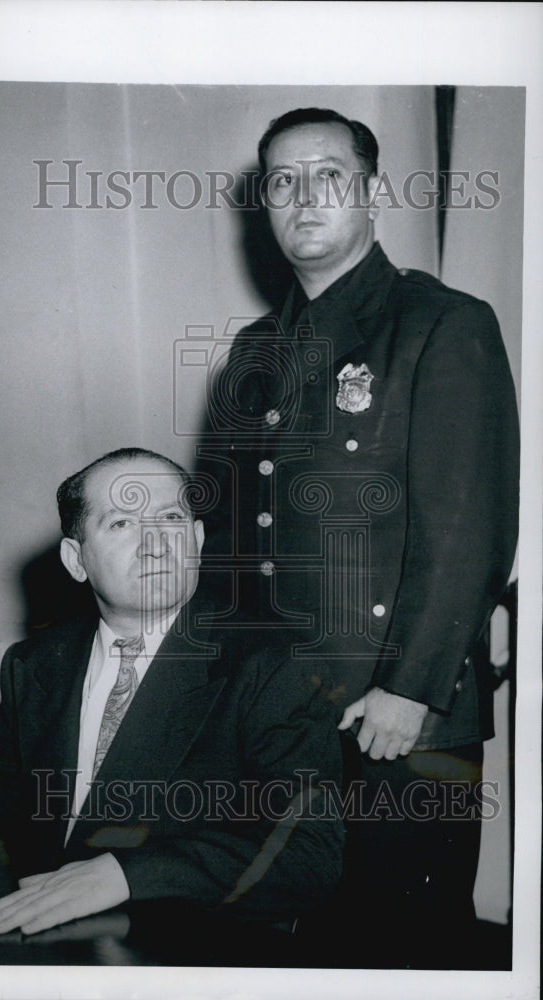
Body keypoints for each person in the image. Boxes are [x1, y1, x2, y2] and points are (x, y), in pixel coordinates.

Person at [195, 108, 519, 966]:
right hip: (277, 715)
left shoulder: (440, 322)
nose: (303, 197)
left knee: (402, 946)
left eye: (327, 174)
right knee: (284, 941)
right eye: (281, 181)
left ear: (371, 191)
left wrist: (411, 688)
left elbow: (469, 524)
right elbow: (230, 531)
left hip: (396, 718)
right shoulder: (254, 349)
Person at [0, 447, 344, 940]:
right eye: (123, 522)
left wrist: (128, 873)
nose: (155, 543)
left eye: (172, 518)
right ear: (75, 561)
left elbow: (306, 852)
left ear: (197, 540)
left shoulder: (272, 666)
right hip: (53, 935)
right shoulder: (39, 662)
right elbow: (8, 791)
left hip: (187, 941)